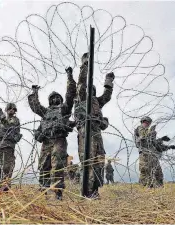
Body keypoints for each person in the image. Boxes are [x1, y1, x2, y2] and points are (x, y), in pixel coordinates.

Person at [28, 67, 76, 200]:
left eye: (57, 97)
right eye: (52, 98)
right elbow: (35, 106)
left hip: (58, 140)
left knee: (57, 166)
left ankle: (58, 193)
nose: (55, 99)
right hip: (46, 141)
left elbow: (70, 95)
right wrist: (34, 92)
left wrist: (69, 77)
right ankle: (43, 191)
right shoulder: (46, 113)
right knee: (44, 166)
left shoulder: (64, 110)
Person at [74, 52, 114, 198]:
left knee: (98, 163)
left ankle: (95, 192)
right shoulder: (82, 99)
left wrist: (109, 81)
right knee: (87, 162)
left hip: (97, 134)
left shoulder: (97, 102)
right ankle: (86, 193)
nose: (90, 92)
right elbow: (81, 85)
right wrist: (85, 65)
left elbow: (107, 96)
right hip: (85, 134)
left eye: (93, 90)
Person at [134, 116, 175, 188]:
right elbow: (143, 138)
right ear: (143, 122)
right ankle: (145, 189)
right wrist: (151, 132)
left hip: (153, 155)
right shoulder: (140, 128)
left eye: (148, 123)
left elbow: (155, 144)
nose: (147, 124)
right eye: (146, 122)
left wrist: (166, 144)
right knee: (146, 173)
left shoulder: (148, 131)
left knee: (158, 173)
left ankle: (158, 188)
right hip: (145, 155)